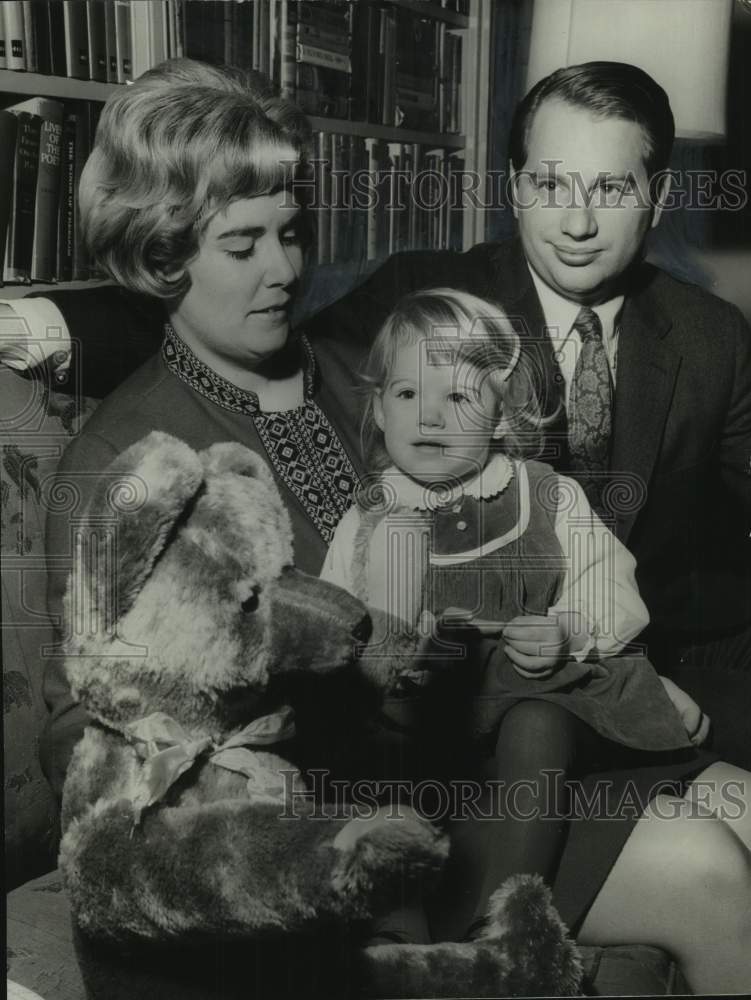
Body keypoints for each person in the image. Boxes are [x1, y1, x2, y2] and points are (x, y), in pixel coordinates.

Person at [2, 58, 751, 991]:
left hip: (488, 748)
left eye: (291, 231)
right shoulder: (128, 454)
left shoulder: (369, 361)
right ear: (163, 255)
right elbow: (87, 726)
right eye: (242, 245)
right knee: (709, 873)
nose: (286, 270)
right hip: (328, 823)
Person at [321, 286, 707, 941]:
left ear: (502, 415)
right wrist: (380, 656)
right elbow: (336, 625)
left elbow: (610, 587)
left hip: (534, 699)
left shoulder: (544, 495)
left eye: (458, 397)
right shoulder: (369, 517)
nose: (429, 417)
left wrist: (565, 629)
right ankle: (407, 917)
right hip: (432, 727)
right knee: (379, 750)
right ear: (379, 409)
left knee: (536, 721)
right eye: (407, 394)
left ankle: (502, 930)